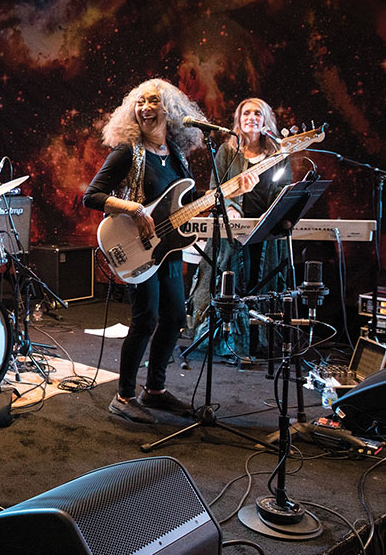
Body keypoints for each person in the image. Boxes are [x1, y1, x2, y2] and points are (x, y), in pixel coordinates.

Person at [82, 78, 258, 424]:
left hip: (169, 248)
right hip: (135, 245)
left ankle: (156, 389)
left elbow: (189, 204)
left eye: (153, 102)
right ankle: (124, 395)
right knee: (146, 318)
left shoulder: (176, 154)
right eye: (140, 102)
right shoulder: (127, 151)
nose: (145, 108)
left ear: (170, 110)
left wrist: (233, 189)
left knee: (175, 316)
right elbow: (92, 195)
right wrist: (134, 209)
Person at [188, 98, 288, 361]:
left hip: (266, 232)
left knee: (261, 281)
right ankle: (227, 342)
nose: (251, 117)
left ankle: (258, 342)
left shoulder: (278, 153)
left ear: (266, 120)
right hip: (231, 232)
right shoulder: (226, 151)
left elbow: (284, 190)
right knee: (228, 283)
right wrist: (230, 209)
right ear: (238, 119)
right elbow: (215, 189)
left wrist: (273, 213)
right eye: (246, 113)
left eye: (258, 113)